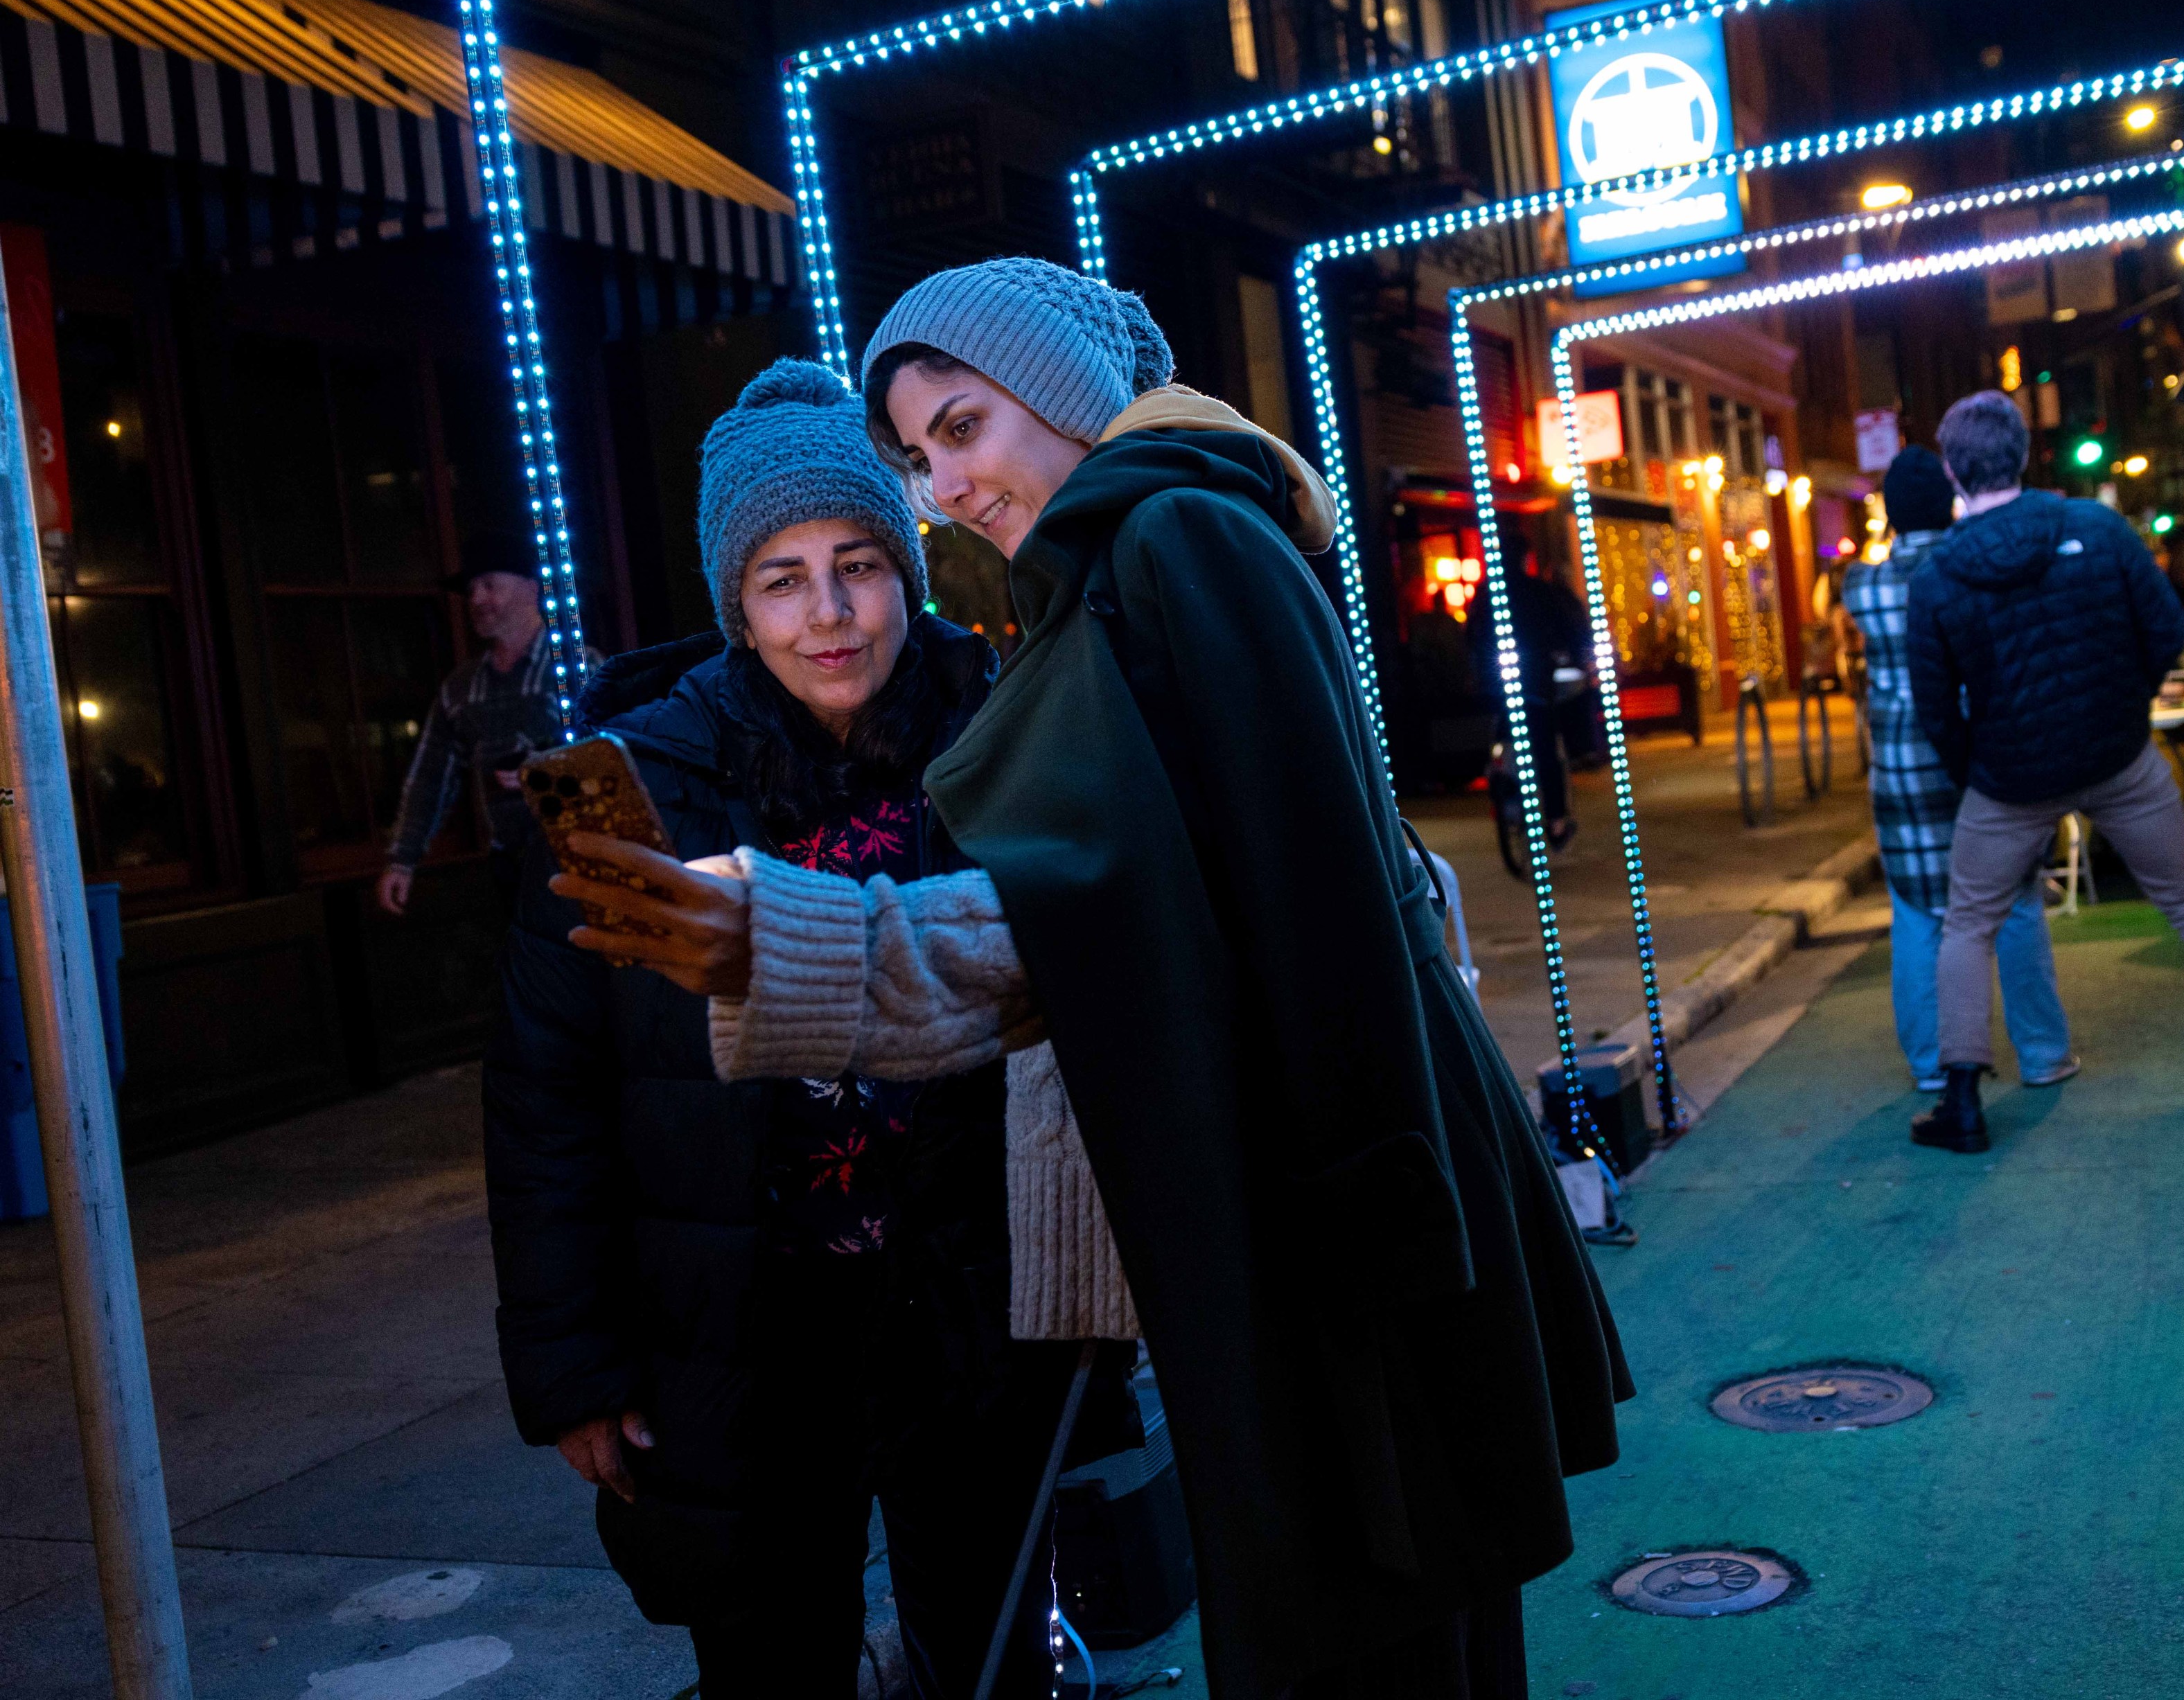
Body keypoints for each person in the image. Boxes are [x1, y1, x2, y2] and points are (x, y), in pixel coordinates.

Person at [551, 258, 1631, 1700]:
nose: (944, 488)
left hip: (1327, 1228)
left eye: (960, 426)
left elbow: (1219, 916)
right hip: (1322, 1215)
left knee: (1377, 1636)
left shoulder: (1169, 537)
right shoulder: (1138, 552)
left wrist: (785, 940)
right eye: (919, 455)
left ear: (1056, 390)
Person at [485, 360, 1131, 1699]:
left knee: (991, 1653)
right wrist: (575, 1364)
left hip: (972, 1310)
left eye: (859, 565)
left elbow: (1098, 979)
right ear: (737, 601)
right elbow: (550, 1090)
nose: (828, 615)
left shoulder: (1005, 724)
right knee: (772, 1666)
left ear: (908, 565)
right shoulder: (622, 785)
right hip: (740, 1328)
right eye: (782, 578)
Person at [1905, 392, 2184, 1151]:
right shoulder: (2094, 529)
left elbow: (1935, 706)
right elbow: (2165, 628)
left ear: (1950, 471)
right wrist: (2120, 707)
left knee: (1967, 924)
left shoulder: (1936, 579)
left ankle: (1962, 1100)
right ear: (2022, 452)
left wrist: (1981, 767)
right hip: (2118, 757)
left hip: (2008, 774)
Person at [1840, 446, 2075, 1101]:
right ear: (1948, 504)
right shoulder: (1977, 572)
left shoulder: (1863, 586)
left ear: (1888, 513)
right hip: (1983, 759)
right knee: (2016, 903)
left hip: (1903, 775)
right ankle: (2042, 1053)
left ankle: (1931, 1063)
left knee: (1918, 916)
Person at [380, 531, 588, 912]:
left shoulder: (579, 668)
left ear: (530, 587)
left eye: (489, 585)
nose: (476, 600)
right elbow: (430, 776)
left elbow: (617, 754)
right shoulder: (461, 690)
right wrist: (403, 859)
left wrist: (546, 767)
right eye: (471, 589)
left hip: (585, 860)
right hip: (510, 868)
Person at [1470, 525, 1598, 847]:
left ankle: (1504, 788)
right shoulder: (1539, 592)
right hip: (1536, 685)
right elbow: (1567, 630)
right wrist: (1577, 660)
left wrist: (1478, 671)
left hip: (1497, 684)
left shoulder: (1486, 594)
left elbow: (1472, 637)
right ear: (1525, 558)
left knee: (1504, 735)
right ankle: (1555, 823)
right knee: (1545, 751)